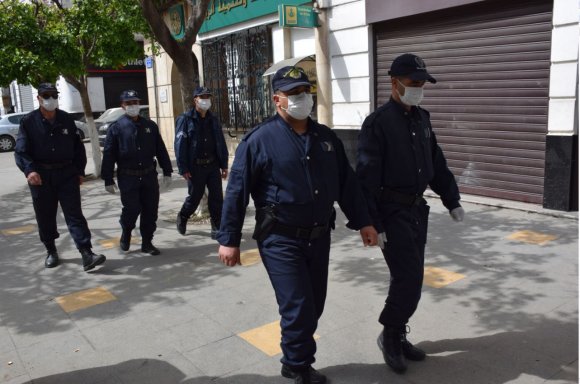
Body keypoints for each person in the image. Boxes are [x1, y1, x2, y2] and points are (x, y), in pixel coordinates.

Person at [217, 66, 378, 384]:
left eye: (305, 92)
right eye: (293, 94)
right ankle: (297, 365)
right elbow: (237, 190)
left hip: (319, 236)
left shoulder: (325, 139)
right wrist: (229, 238)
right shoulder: (260, 140)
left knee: (314, 304)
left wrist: (365, 223)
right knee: (299, 305)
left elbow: (347, 185)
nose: (302, 99)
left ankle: (297, 355)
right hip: (280, 238)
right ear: (277, 99)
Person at [357, 53, 465, 374]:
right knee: (408, 279)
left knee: (410, 278)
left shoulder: (422, 119)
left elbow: (437, 164)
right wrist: (373, 223)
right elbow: (365, 178)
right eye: (414, 83)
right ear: (394, 82)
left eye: (422, 83)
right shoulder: (377, 124)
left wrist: (452, 199)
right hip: (391, 213)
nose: (419, 89)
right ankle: (390, 335)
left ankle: (396, 330)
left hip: (417, 209)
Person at [14, 82, 106, 271]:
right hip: (41, 176)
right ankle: (51, 250)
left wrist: (80, 171)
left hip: (66, 174)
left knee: (75, 215)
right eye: (46, 96)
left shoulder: (66, 119)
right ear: (38, 98)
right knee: (45, 216)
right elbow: (21, 151)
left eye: (54, 95)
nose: (51, 99)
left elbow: (78, 148)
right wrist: (29, 170)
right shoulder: (29, 121)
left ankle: (86, 253)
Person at [101, 90, 173, 255]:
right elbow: (109, 154)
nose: (133, 106)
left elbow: (161, 150)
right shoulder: (116, 128)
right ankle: (126, 232)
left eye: (135, 102)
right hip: (128, 176)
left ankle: (147, 242)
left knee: (150, 210)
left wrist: (167, 171)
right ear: (123, 106)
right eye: (129, 103)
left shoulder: (150, 126)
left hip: (148, 175)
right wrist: (107, 179)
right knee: (131, 209)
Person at [174, 86, 228, 238]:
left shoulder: (213, 119)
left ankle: (216, 226)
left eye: (207, 97)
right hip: (195, 166)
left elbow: (220, 142)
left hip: (212, 165)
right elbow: (180, 145)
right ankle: (183, 216)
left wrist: (224, 165)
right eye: (202, 97)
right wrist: (183, 167)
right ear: (195, 100)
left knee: (217, 198)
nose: (205, 100)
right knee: (195, 197)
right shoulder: (185, 119)